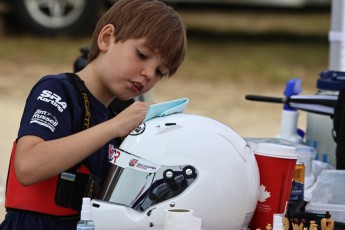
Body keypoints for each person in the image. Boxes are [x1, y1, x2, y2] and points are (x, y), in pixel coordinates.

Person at [0, 0, 187, 229]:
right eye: (142, 54)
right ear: (107, 38)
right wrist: (115, 127)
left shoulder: (119, 117)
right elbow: (28, 166)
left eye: (160, 71)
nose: (148, 73)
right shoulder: (58, 90)